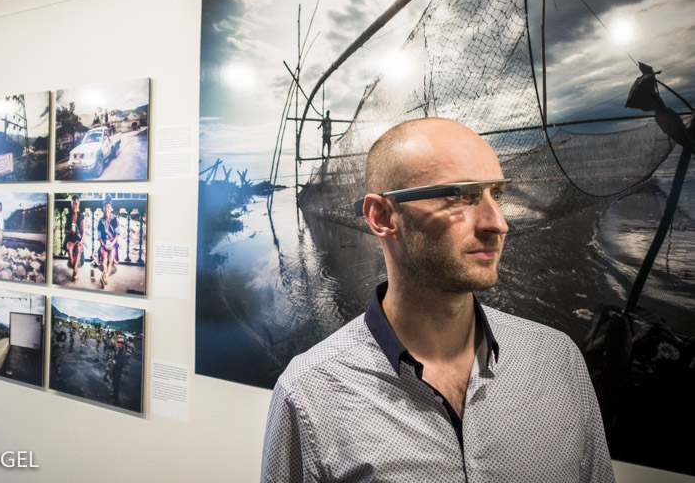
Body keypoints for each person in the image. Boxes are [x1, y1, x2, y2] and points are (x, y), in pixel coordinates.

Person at [261, 118, 614, 482]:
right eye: (460, 196)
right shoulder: (311, 393)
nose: (498, 223)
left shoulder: (557, 360)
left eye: (498, 194)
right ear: (382, 217)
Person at [97, 196, 120, 287]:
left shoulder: (115, 220)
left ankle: (104, 276)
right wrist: (104, 245)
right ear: (103, 208)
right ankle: (105, 277)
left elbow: (117, 236)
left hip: (112, 244)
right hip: (104, 245)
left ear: (111, 208)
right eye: (105, 207)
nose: (106, 209)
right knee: (104, 259)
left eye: (108, 207)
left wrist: (111, 245)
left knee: (110, 260)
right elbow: (99, 236)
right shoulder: (100, 221)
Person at [64, 194, 84, 280]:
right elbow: (65, 231)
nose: (74, 205)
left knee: (79, 249)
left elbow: (83, 231)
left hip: (78, 239)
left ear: (78, 204)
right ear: (71, 204)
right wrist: (70, 231)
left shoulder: (81, 216)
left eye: (76, 203)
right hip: (70, 239)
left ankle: (74, 270)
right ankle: (74, 266)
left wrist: (81, 241)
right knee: (69, 248)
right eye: (73, 203)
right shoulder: (68, 216)